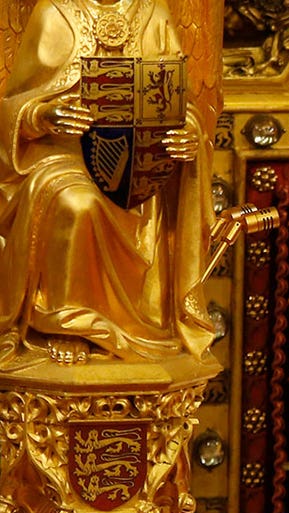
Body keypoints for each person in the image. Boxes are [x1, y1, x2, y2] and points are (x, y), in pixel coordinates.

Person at [0, 0, 214, 365]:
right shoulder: (55, 11)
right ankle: (67, 324)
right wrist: (42, 114)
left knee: (136, 198)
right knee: (77, 204)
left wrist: (187, 132)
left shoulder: (153, 11)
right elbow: (13, 106)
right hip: (62, 156)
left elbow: (181, 100)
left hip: (140, 164)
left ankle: (141, 323)